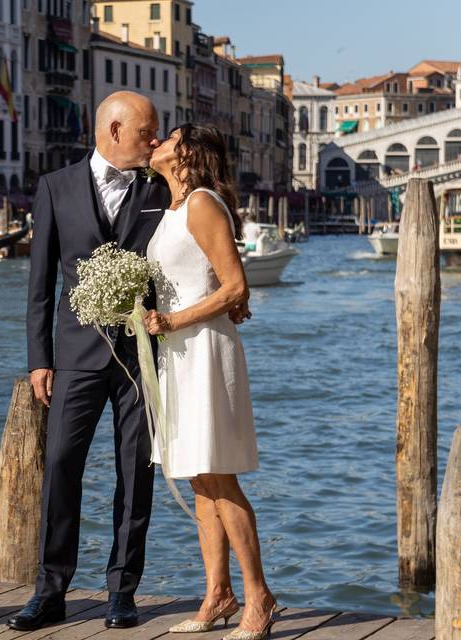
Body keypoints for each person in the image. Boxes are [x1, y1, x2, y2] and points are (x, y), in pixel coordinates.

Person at [14, 91, 173, 632]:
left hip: (141, 357)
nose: (153, 142)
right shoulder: (55, 188)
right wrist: (40, 359)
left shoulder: (160, 189)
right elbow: (40, 284)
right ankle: (49, 592)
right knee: (60, 466)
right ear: (112, 130)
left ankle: (122, 593)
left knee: (135, 474)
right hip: (75, 356)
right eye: (145, 133)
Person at [143, 124, 275, 639]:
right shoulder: (174, 206)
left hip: (202, 348)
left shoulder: (201, 203)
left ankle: (259, 596)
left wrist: (173, 321)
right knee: (198, 477)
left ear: (188, 152)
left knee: (218, 475)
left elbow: (236, 284)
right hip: (178, 353)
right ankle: (218, 594)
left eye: (168, 137)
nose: (156, 142)